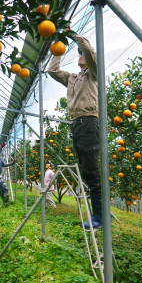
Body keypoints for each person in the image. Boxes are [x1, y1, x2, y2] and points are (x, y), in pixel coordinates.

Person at [47, 34, 102, 229]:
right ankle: (99, 213)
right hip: (76, 123)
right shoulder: (72, 78)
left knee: (92, 171)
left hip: (89, 122)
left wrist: (73, 36)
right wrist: (58, 46)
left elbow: (89, 50)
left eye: (82, 54)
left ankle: (100, 216)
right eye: (78, 54)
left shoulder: (94, 73)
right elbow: (52, 70)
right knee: (86, 169)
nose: (80, 55)